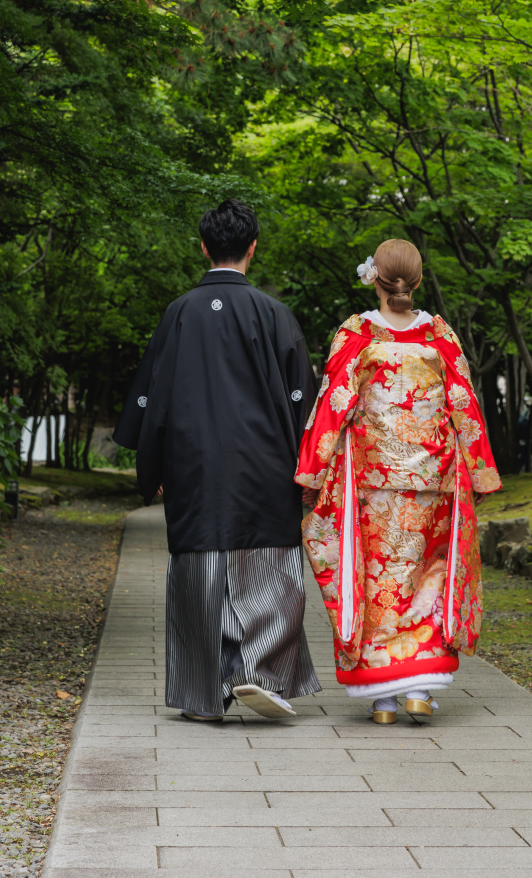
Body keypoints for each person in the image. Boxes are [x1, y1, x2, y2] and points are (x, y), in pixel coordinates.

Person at [114, 198, 321, 721]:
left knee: (199, 574)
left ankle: (203, 693)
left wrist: (155, 465)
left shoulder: (179, 313)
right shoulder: (275, 314)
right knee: (270, 569)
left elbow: (154, 395)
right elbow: (303, 399)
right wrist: (310, 469)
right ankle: (262, 673)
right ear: (253, 247)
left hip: (194, 463)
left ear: (204, 248)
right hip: (267, 462)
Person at [295, 239, 501, 723]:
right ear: (418, 280)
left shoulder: (358, 334)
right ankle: (419, 689)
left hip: (373, 482)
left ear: (375, 280)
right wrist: (480, 471)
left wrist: (312, 470)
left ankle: (384, 697)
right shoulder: (439, 335)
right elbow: (464, 405)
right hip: (434, 479)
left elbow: (333, 403)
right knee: (428, 576)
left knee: (377, 579)